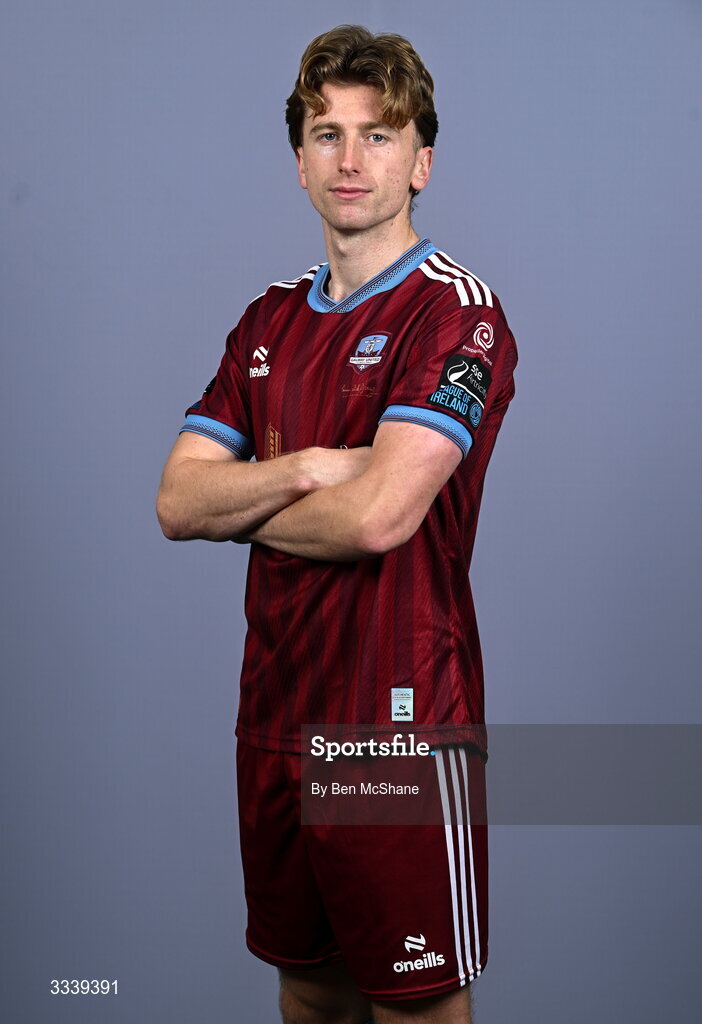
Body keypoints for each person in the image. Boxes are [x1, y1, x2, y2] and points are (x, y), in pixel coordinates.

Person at [157, 24, 517, 1024]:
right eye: (327, 134)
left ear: (422, 161)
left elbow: (378, 519)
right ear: (299, 164)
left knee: (415, 1008)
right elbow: (177, 502)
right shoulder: (265, 323)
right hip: (273, 718)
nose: (352, 159)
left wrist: (253, 495)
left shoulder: (456, 316)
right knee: (310, 995)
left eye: (379, 134)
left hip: (394, 732)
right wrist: (314, 466)